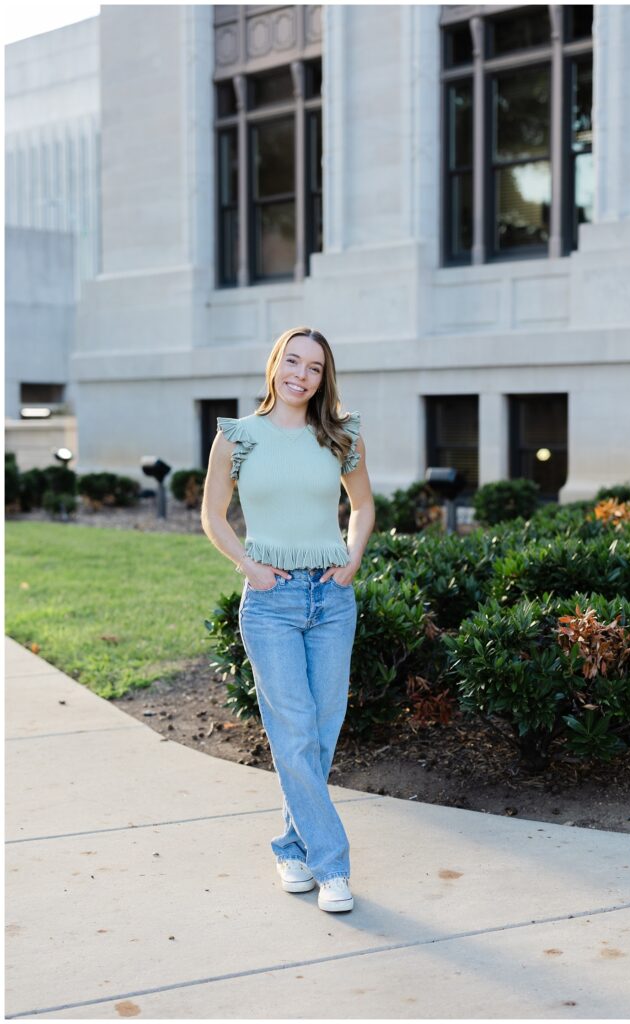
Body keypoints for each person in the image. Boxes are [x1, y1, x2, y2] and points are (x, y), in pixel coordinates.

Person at [201, 326, 375, 913]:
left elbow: (364, 503)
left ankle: (292, 849)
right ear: (275, 365)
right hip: (271, 600)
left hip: (331, 599)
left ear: (325, 378)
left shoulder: (340, 435)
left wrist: (352, 559)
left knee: (320, 733)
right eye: (292, 362)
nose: (301, 374)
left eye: (315, 368)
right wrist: (249, 566)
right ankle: (332, 866)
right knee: (295, 732)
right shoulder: (238, 436)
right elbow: (213, 514)